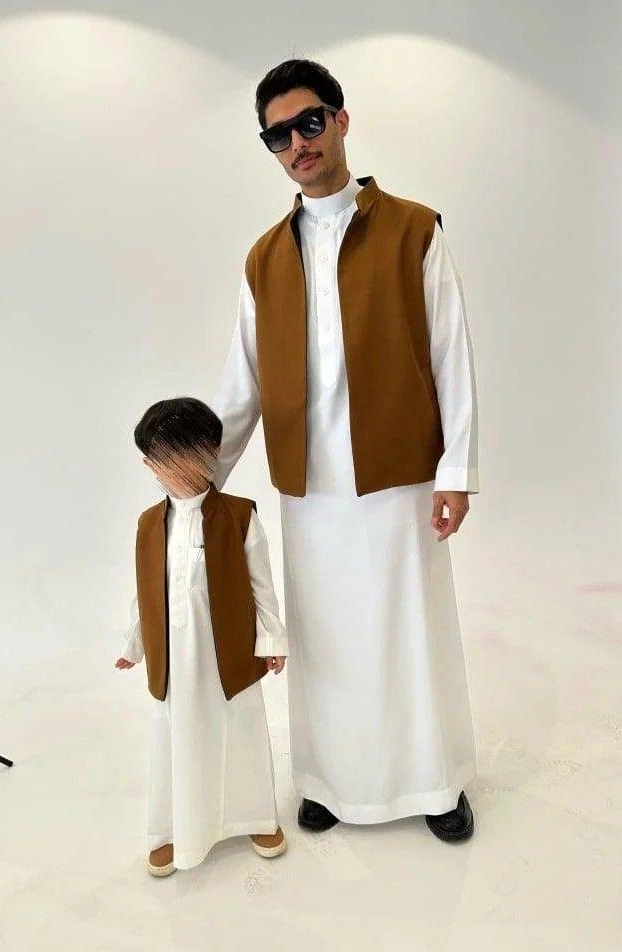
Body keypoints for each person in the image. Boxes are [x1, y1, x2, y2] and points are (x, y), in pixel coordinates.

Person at [212, 59, 478, 842]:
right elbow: (242, 381)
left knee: (410, 632)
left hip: (400, 470)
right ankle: (327, 781)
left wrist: (456, 471)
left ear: (340, 120)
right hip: (310, 483)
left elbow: (451, 353)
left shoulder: (414, 229)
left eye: (309, 123)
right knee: (325, 638)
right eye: (278, 135)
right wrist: (201, 475)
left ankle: (435, 784)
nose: (298, 143)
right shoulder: (264, 257)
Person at [115, 397, 289, 873]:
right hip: (174, 655)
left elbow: (262, 586)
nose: (171, 468)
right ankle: (173, 829)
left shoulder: (239, 515)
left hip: (228, 652)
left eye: (182, 454)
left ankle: (254, 816)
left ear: (209, 452)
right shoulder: (149, 524)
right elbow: (144, 589)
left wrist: (271, 640)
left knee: (240, 730)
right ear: (149, 464)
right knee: (176, 735)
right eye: (160, 459)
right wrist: (134, 643)